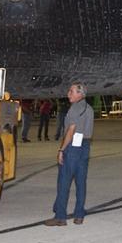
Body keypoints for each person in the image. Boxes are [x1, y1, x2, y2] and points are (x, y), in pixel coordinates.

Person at [46, 82, 93, 226]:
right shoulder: (89, 109)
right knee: (81, 182)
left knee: (64, 182)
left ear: (80, 94)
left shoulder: (74, 109)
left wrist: (62, 149)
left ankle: (60, 216)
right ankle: (79, 215)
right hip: (85, 146)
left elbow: (71, 130)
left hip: (72, 147)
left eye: (71, 91)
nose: (69, 94)